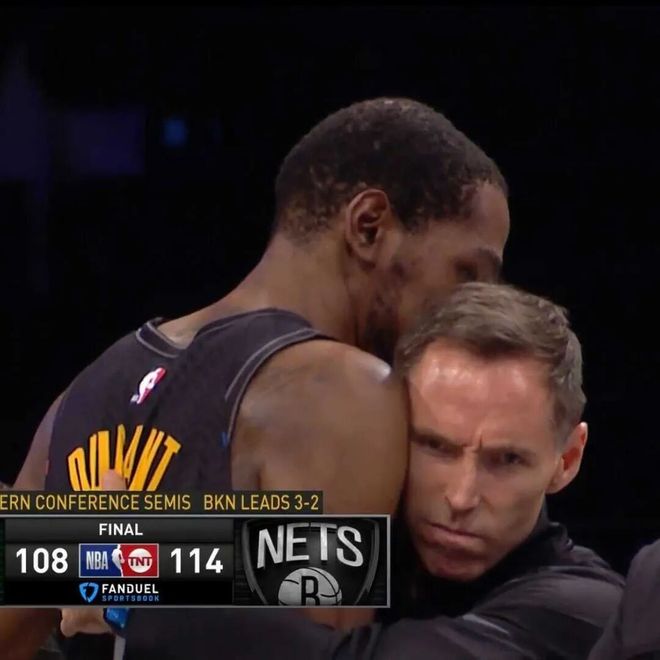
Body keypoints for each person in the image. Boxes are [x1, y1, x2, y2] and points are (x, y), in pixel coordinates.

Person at [0, 97, 510, 659]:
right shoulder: (346, 391)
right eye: (467, 273)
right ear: (369, 226)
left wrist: (118, 564)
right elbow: (319, 653)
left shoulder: (84, 390)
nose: (473, 308)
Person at [65, 283, 624, 659]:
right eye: (434, 446)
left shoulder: (587, 610)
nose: (460, 496)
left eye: (506, 460)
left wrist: (127, 595)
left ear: (567, 460)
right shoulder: (371, 547)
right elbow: (47, 553)